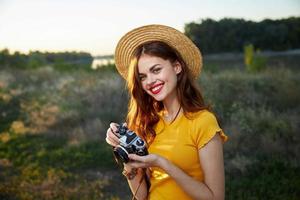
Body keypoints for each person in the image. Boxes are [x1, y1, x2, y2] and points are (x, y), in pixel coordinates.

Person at [106, 24, 228, 200]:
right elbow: (141, 195)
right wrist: (127, 160)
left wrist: (162, 163)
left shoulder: (203, 122)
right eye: (143, 77)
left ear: (177, 67)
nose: (150, 81)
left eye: (156, 70)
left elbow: (216, 197)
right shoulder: (147, 122)